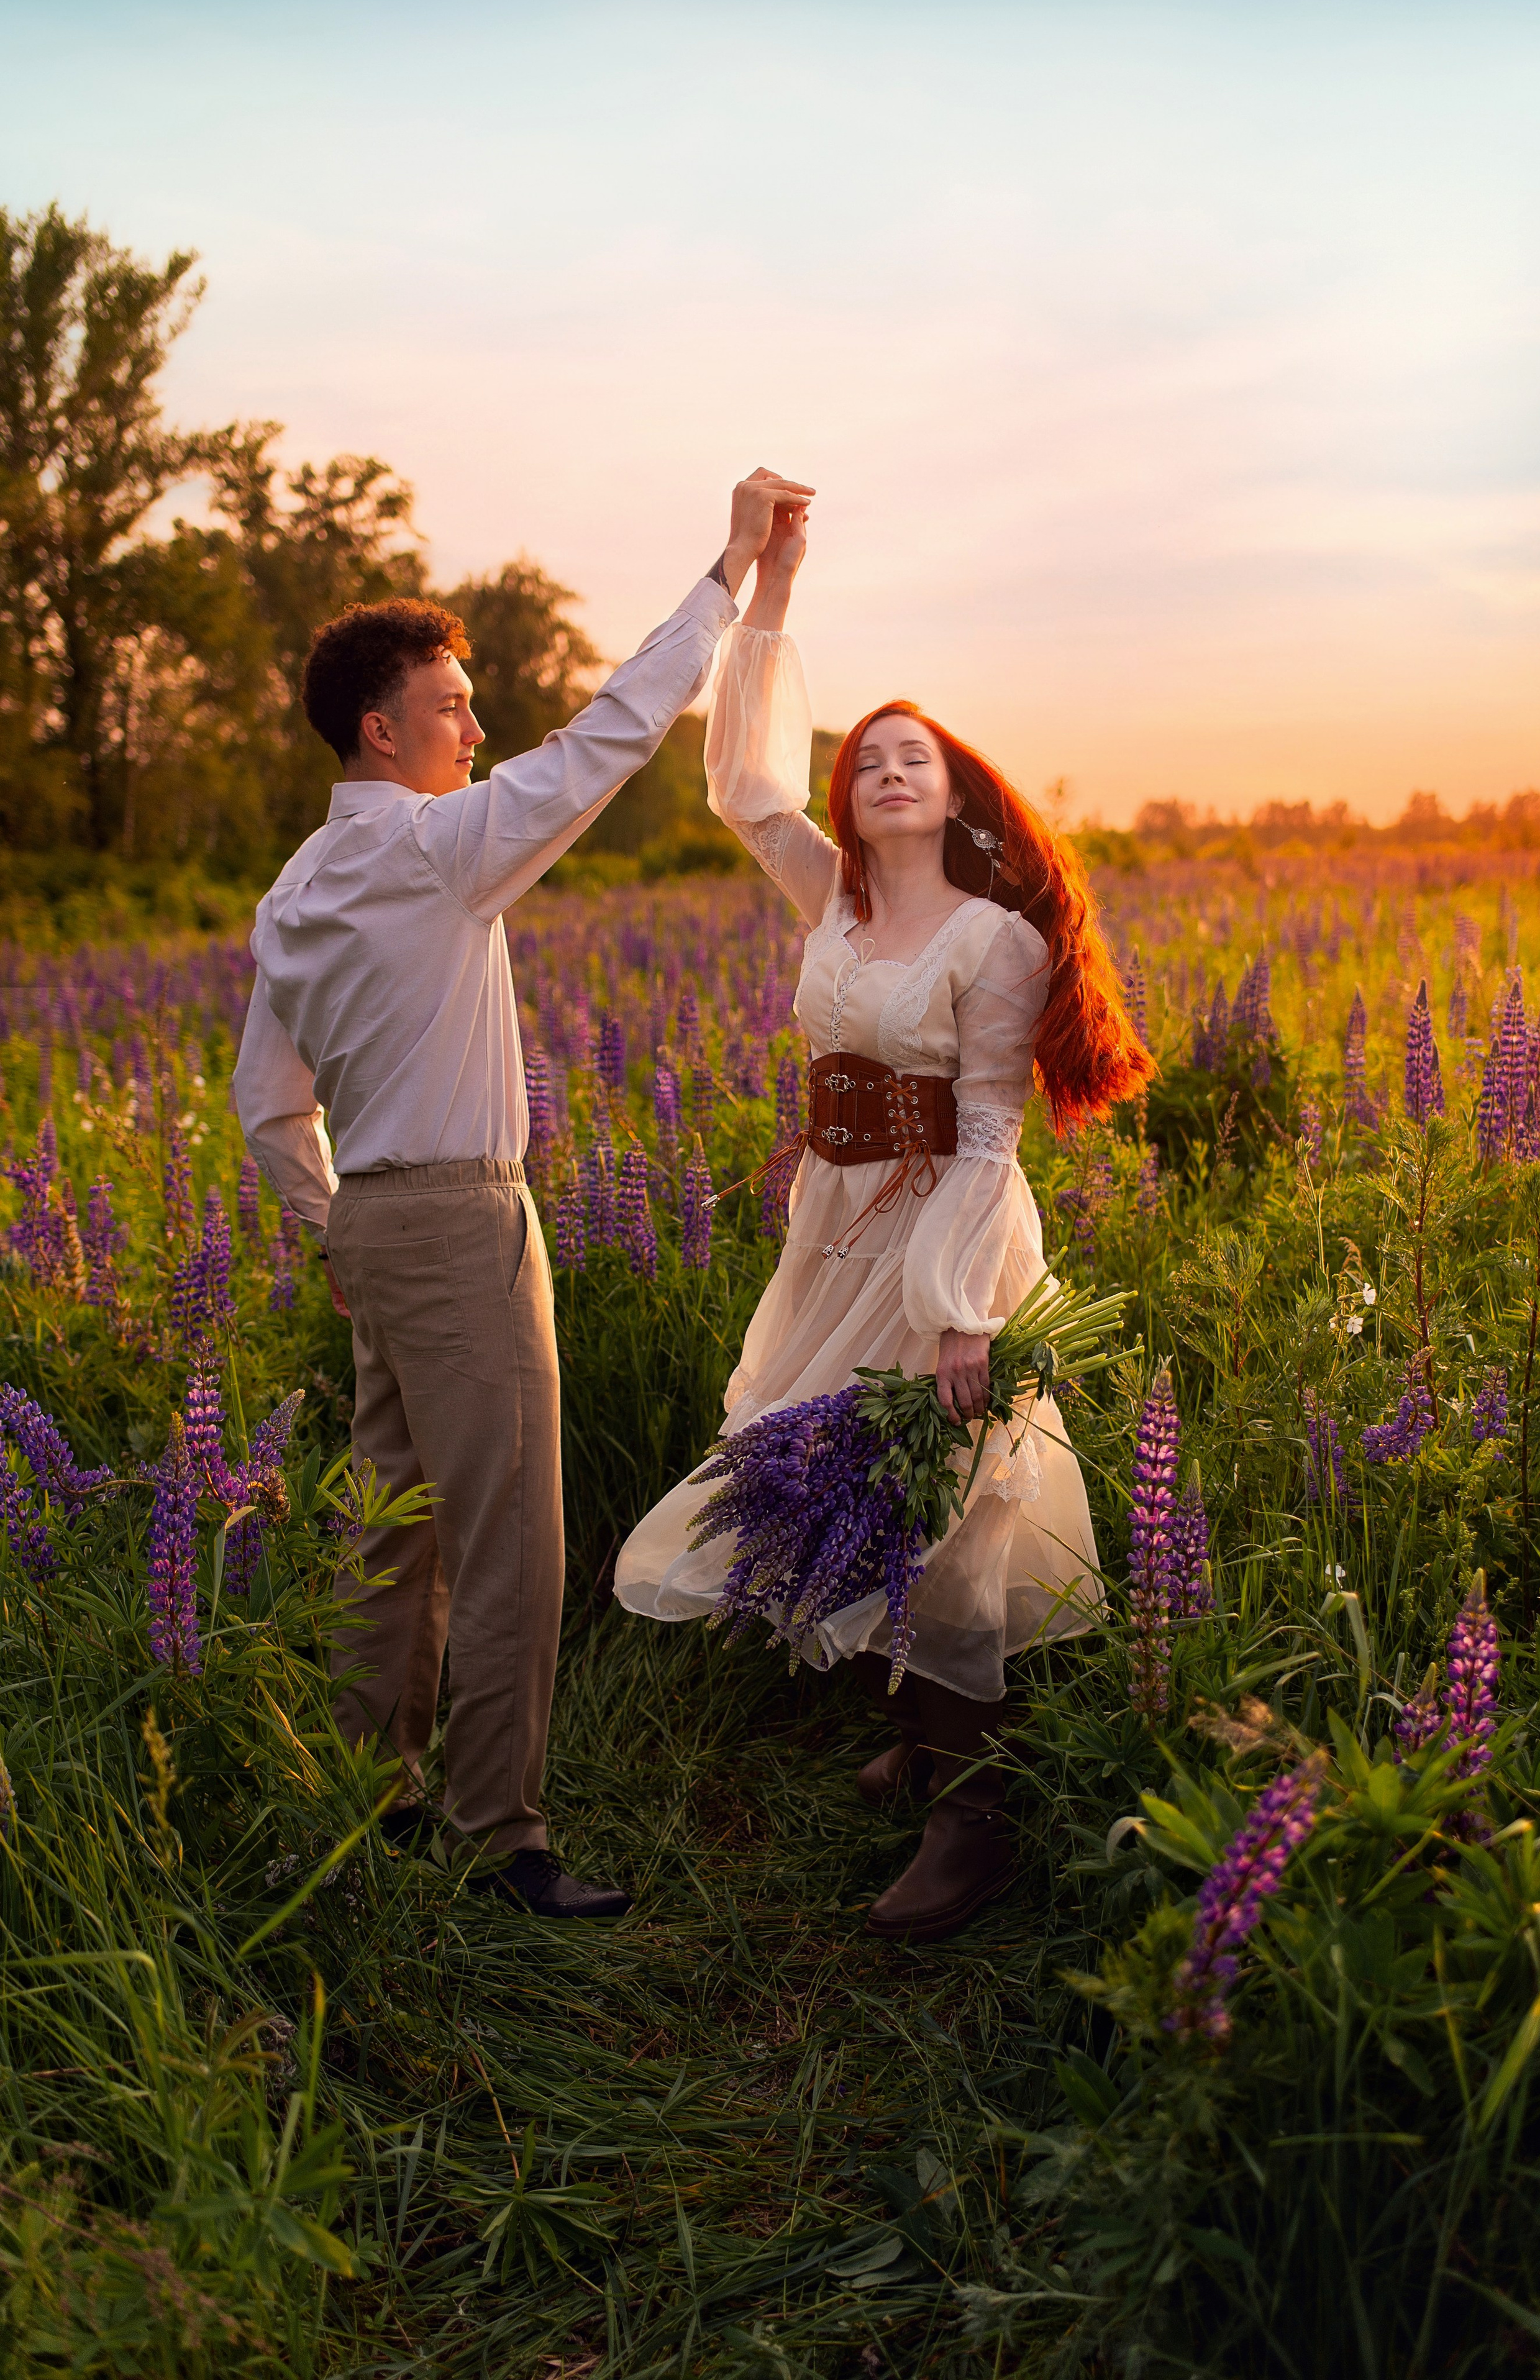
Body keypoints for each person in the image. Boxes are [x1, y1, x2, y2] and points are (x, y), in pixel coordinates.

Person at [234, 468, 814, 1920]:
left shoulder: (294, 888)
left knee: (393, 1532)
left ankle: (370, 1807)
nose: (476, 730)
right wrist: (727, 573)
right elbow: (607, 734)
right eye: (451, 707)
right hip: (460, 1217)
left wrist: (332, 1229)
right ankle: (501, 1838)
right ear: (382, 730)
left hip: (373, 1222)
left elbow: (268, 1107)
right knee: (507, 1544)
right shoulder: (432, 850)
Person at [614, 503, 1150, 1943]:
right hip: (833, 1225)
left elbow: (986, 1134)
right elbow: (741, 787)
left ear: (956, 789)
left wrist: (959, 1311)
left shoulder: (995, 937)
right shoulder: (832, 901)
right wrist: (772, 590)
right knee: (834, 1466)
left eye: (914, 756)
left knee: (950, 1506)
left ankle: (975, 1816)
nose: (889, 770)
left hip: (945, 1235)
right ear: (846, 802)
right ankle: (917, 1736)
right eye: (865, 761)